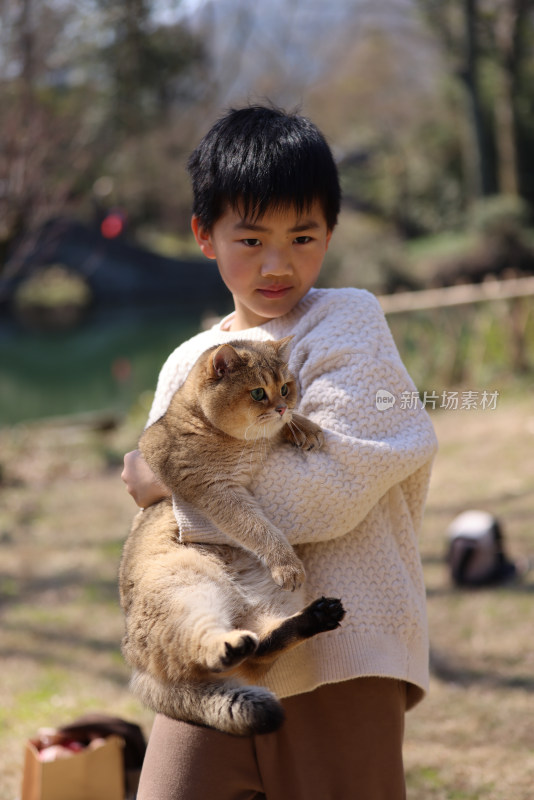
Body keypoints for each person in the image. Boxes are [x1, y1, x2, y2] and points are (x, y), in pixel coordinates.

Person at [122, 105, 438, 800]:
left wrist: (174, 481)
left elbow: (332, 485)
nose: (277, 263)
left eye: (303, 236)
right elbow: (161, 527)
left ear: (330, 231)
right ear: (205, 236)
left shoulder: (346, 322)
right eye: (251, 238)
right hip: (211, 649)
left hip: (340, 650)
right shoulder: (189, 359)